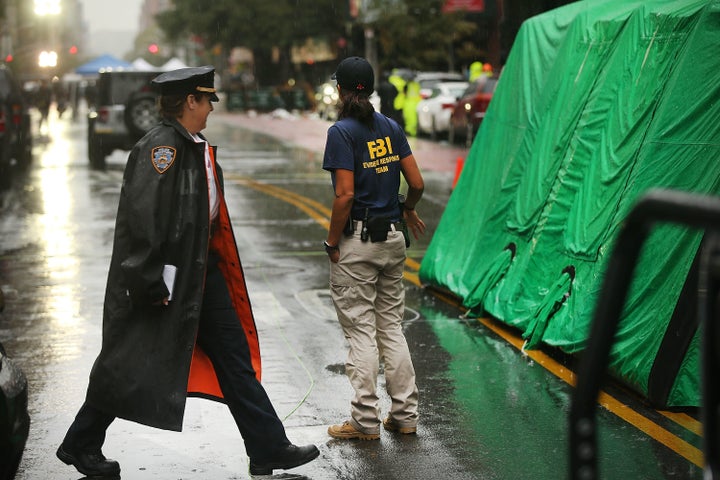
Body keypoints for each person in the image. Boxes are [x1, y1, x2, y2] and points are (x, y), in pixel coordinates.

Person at [56, 66, 319, 477]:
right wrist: (147, 281)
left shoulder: (192, 144)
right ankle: (80, 443)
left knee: (234, 361)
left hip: (200, 274)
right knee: (129, 361)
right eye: (206, 100)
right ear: (189, 102)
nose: (212, 107)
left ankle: (268, 446)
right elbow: (144, 220)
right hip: (166, 280)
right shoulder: (162, 149)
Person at [322, 57, 426, 440]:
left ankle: (365, 422)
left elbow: (345, 195)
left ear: (342, 90)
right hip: (393, 240)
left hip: (358, 243)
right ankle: (405, 415)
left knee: (362, 334)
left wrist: (332, 242)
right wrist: (407, 208)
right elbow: (416, 182)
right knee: (392, 330)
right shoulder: (391, 128)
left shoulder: (341, 132)